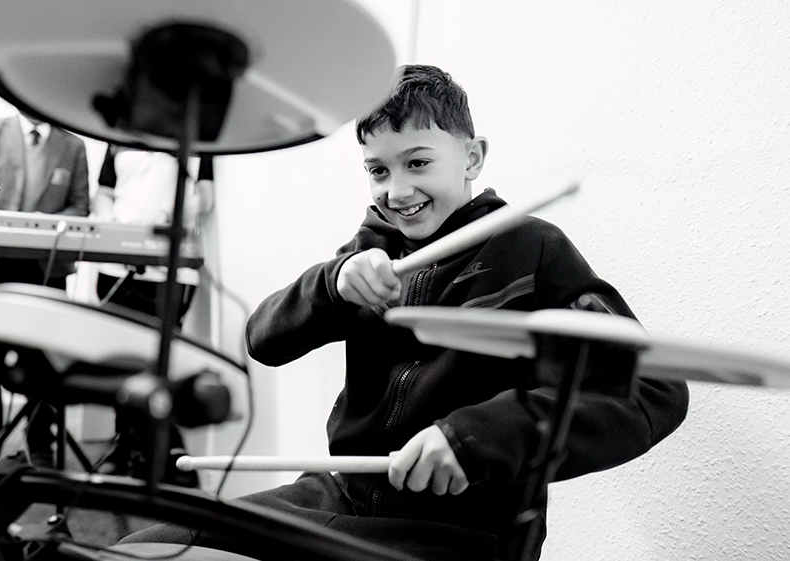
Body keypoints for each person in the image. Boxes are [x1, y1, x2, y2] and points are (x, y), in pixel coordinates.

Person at [118, 65, 689, 560]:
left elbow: (651, 389)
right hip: (339, 495)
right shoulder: (373, 251)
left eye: (418, 163)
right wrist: (333, 285)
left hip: (456, 532)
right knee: (139, 549)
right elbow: (262, 339)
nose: (397, 190)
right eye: (378, 170)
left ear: (473, 155)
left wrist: (479, 437)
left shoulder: (531, 250)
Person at [0, 111, 90, 465]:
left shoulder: (73, 145)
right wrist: (5, 224)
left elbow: (80, 205)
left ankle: (41, 441)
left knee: (45, 357)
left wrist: (41, 227)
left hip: (46, 265)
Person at [90, 145, 207, 485]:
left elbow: (206, 197)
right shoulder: (119, 136)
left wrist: (176, 215)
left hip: (172, 272)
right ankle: (124, 448)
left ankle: (155, 455)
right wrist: (115, 232)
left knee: (158, 365)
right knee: (120, 362)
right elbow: (104, 193)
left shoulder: (200, 135)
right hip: (116, 267)